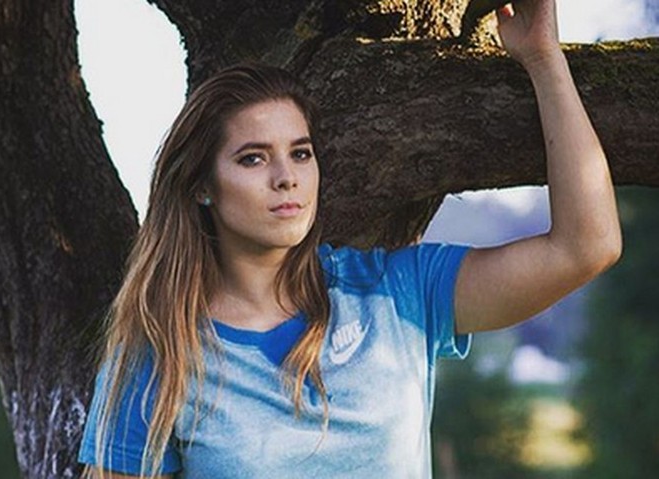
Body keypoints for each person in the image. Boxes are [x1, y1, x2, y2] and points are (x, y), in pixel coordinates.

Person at [78, 0, 622, 477]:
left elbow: (587, 245)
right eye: (253, 158)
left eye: (300, 153)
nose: (286, 177)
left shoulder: (398, 294)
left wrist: (544, 59)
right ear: (202, 186)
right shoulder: (160, 353)